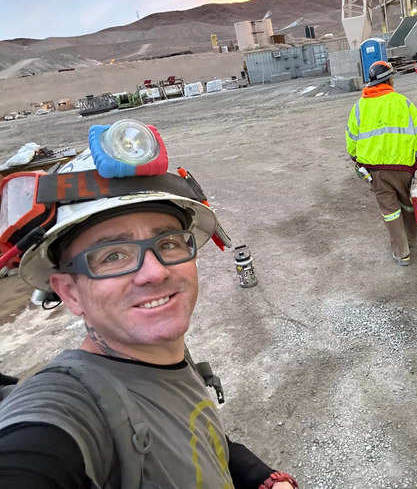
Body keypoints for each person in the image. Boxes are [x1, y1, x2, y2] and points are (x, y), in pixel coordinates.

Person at [0, 124, 297, 489]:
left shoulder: (166, 356)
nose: (154, 271)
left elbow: (201, 440)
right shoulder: (71, 405)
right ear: (70, 292)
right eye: (112, 255)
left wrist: (262, 479)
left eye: (169, 242)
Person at [345, 60, 417, 266]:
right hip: (404, 167)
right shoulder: (404, 103)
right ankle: (412, 240)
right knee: (406, 204)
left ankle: (402, 253)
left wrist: (356, 158)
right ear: (390, 80)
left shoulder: (359, 107)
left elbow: (351, 140)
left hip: (376, 171)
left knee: (389, 209)